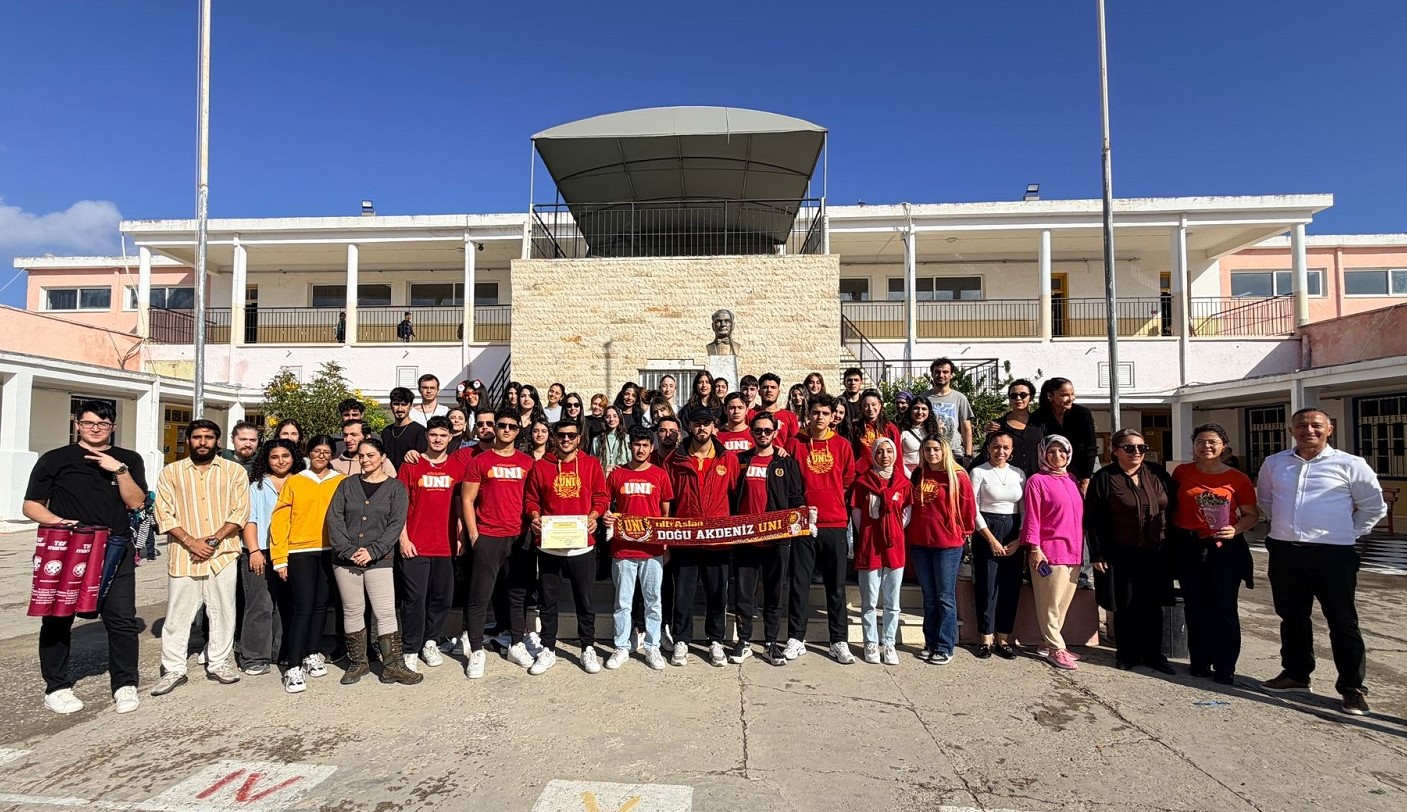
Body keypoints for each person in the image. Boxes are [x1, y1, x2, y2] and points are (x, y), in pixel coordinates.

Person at [1258, 408, 1387, 716]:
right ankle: (1296, 674)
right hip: (1286, 552)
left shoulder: (1351, 464)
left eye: (1316, 425)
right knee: (1292, 617)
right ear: (1291, 431)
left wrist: (1346, 532)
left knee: (1342, 621)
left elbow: (1373, 507)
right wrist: (1289, 529)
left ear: (1330, 429)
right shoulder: (1274, 464)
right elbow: (1266, 501)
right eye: (1301, 425)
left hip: (1333, 554)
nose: (1309, 430)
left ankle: (1352, 688)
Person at [24, 401, 148, 715]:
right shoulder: (55, 459)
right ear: (77, 424)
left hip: (115, 549)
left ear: (113, 427)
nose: (95, 428)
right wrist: (60, 522)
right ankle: (56, 688)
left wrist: (118, 470)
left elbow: (136, 503)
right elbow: (31, 505)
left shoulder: (129, 459)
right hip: (67, 548)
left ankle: (125, 684)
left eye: (103, 424)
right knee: (57, 618)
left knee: (121, 619)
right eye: (89, 423)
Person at [150, 419, 251, 696]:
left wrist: (214, 539)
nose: (203, 442)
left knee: (223, 611)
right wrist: (191, 541)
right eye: (197, 437)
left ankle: (219, 662)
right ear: (188, 440)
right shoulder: (171, 472)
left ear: (218, 441)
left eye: (208, 437)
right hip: (185, 555)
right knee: (178, 614)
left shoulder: (233, 471)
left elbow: (240, 511)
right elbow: (163, 513)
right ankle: (173, 668)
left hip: (222, 553)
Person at [1171, 423, 1259, 686]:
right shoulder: (1181, 472)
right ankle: (1199, 661)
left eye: (1212, 442)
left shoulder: (1238, 479)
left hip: (1223, 549)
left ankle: (1225, 665)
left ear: (1224, 446)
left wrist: (1235, 529)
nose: (1206, 446)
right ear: (1193, 446)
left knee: (1223, 608)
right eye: (1200, 441)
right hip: (1189, 547)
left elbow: (1252, 515)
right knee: (1195, 605)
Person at [328, 438, 420, 685]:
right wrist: (348, 550)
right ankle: (358, 663)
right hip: (345, 560)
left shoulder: (396, 488)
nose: (365, 460)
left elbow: (395, 525)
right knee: (353, 610)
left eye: (370, 455)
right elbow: (334, 519)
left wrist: (373, 551)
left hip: (379, 560)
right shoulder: (347, 485)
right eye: (361, 456)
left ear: (383, 458)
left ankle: (392, 666)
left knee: (385, 611)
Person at [1085, 429, 1176, 674]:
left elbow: (1172, 509)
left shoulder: (1156, 473)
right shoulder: (1105, 477)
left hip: (1156, 550)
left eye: (1141, 448)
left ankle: (1154, 655)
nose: (1136, 452)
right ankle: (1127, 654)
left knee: (1153, 604)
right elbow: (1093, 519)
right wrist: (1097, 553)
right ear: (1115, 451)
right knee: (1126, 604)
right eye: (1129, 447)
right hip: (1120, 552)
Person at [524, 420, 610, 675]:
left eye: (571, 435)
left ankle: (587, 646)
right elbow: (531, 499)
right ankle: (548, 648)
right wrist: (534, 516)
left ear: (578, 438)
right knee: (548, 602)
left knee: (584, 600)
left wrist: (594, 516)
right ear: (554, 437)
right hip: (549, 545)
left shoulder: (591, 464)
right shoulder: (541, 466)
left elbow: (601, 496)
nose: (566, 439)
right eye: (561, 435)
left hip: (581, 546)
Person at [461, 409, 536, 677]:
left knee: (517, 596)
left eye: (511, 426)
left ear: (518, 431)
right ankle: (476, 650)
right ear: (495, 428)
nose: (506, 429)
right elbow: (467, 499)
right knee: (479, 597)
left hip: (520, 536)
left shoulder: (528, 462)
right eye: (501, 425)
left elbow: (534, 498)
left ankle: (516, 643)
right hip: (488, 535)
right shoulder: (480, 461)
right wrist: (473, 535)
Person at [663, 406, 740, 667]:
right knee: (683, 593)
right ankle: (681, 640)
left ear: (714, 426)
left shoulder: (728, 459)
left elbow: (735, 496)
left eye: (706, 423)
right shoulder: (675, 459)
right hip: (685, 539)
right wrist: (667, 539)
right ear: (689, 427)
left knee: (717, 594)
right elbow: (668, 500)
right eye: (697, 423)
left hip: (718, 540)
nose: (702, 428)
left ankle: (715, 640)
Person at [784, 393, 856, 664]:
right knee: (799, 583)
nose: (820, 417)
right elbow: (789, 477)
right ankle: (796, 638)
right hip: (803, 523)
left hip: (834, 522)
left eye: (825, 413)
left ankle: (838, 640)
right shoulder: (795, 443)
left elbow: (848, 479)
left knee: (835, 586)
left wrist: (832, 500)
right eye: (815, 412)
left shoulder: (842, 445)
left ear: (832, 417)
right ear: (808, 414)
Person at [732, 411, 806, 666]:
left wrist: (800, 519)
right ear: (751, 432)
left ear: (775, 433)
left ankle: (771, 643)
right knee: (744, 594)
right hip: (745, 539)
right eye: (757, 430)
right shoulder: (741, 460)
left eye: (767, 430)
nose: (762, 434)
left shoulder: (785, 461)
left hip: (777, 539)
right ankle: (743, 641)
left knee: (774, 593)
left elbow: (796, 497)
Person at [269, 434, 342, 693]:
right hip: (300, 551)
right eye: (316, 451)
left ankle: (312, 653)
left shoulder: (341, 481)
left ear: (332, 455)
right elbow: (280, 520)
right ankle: (293, 666)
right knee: (303, 607)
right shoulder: (296, 481)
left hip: (330, 550)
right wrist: (279, 557)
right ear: (308, 453)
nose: (321, 455)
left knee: (321, 606)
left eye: (326, 451)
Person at [602, 426, 674, 671]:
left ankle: (652, 646)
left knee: (653, 601)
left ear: (651, 448)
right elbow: (604, 504)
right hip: (623, 549)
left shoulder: (660, 475)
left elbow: (665, 514)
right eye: (636, 444)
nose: (640, 449)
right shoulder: (617, 474)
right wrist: (606, 516)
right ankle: (622, 645)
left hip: (652, 550)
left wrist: (665, 546)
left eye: (645, 445)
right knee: (623, 602)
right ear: (630, 446)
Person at [396, 417, 463, 675]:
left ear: (450, 438)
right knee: (414, 599)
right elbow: (400, 507)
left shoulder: (456, 466)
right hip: (416, 544)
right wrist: (403, 539)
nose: (437, 439)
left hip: (445, 545)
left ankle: (430, 641)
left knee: (442, 598)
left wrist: (460, 535)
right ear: (426, 436)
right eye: (433, 434)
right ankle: (411, 648)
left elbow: (460, 504)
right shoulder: (411, 465)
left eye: (443, 435)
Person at [907, 435, 976, 665]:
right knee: (929, 597)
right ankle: (931, 642)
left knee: (945, 597)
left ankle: (945, 646)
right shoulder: (919, 474)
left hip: (947, 545)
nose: (932, 453)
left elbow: (968, 509)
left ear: (944, 450)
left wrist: (963, 533)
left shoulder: (957, 476)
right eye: (927, 449)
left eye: (936, 449)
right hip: (920, 543)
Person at [239, 439, 303, 678]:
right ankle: (254, 656)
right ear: (266, 460)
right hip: (262, 551)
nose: (280, 461)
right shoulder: (256, 485)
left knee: (288, 604)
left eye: (285, 456)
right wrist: (254, 551)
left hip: (293, 551)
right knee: (260, 604)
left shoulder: (301, 482)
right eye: (274, 457)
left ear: (294, 457)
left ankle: (282, 651)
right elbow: (250, 519)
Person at [1021, 435, 1085, 671]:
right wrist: (1035, 548)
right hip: (1050, 552)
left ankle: (1049, 643)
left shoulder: (1072, 479)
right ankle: (1056, 648)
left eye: (1061, 451)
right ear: (1043, 454)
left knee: (1062, 604)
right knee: (1049, 603)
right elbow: (1032, 517)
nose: (1057, 456)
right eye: (1051, 451)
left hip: (1073, 551)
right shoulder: (1037, 481)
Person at [851, 437, 912, 666]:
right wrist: (871, 532)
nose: (884, 456)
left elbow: (906, 515)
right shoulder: (862, 482)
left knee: (892, 601)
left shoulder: (904, 484)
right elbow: (857, 514)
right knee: (869, 600)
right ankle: (870, 642)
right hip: (870, 544)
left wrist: (891, 531)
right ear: (873, 455)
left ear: (895, 455)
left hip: (894, 546)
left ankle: (889, 643)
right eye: (879, 451)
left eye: (889, 451)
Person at [968, 431, 1026, 660]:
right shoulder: (979, 472)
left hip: (1012, 530)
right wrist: (991, 539)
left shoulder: (1019, 473)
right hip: (986, 530)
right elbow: (972, 508)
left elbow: (1024, 509)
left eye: (1005, 447)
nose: (1000, 451)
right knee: (987, 585)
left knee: (1010, 586)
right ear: (988, 448)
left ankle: (1003, 638)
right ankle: (986, 638)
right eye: (996, 446)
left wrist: (1019, 539)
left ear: (1011, 451)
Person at [1031, 378, 1097, 490]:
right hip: (1053, 473)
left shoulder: (1082, 413)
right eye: (1064, 395)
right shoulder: (1039, 417)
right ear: (1050, 396)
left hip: (1085, 470)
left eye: (1072, 394)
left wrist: (1086, 478)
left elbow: (1091, 447)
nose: (1071, 398)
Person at [982, 379, 1044, 476]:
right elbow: (987, 453)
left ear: (1031, 397)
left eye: (1023, 395)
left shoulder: (1040, 424)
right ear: (1009, 398)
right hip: (1007, 479)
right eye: (1014, 395)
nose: (1018, 398)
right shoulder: (997, 426)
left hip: (1035, 478)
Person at [924, 358, 974, 463]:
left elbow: (966, 429)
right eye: (937, 372)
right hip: (931, 452)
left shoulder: (960, 398)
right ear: (932, 374)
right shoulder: (923, 398)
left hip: (954, 453)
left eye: (945, 372)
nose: (941, 375)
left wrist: (968, 455)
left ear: (951, 375)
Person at [852, 388, 901, 474]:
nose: (870, 409)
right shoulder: (855, 428)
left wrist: (898, 476)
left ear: (880, 405)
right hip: (863, 474)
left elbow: (898, 456)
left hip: (885, 474)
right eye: (866, 406)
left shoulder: (890, 428)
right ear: (861, 407)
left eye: (873, 404)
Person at [381, 387, 429, 468]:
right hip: (388, 475)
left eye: (404, 404)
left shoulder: (420, 431)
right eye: (396, 404)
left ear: (411, 406)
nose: (400, 409)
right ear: (391, 405)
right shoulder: (386, 431)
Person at [757, 373, 801, 449]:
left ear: (779, 392)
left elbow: (795, 443)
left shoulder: (790, 416)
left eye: (773, 387)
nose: (769, 390)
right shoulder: (751, 414)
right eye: (765, 387)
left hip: (782, 456)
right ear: (759, 392)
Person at [898, 397, 939, 477]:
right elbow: (897, 457)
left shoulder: (933, 432)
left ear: (929, 412)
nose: (920, 412)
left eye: (924, 409)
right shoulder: (901, 432)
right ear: (910, 410)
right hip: (907, 474)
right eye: (916, 408)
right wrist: (911, 476)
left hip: (929, 472)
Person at [592, 406, 631, 474]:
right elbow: (593, 463)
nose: (611, 419)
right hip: (603, 476)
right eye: (608, 417)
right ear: (604, 419)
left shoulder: (627, 439)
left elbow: (631, 461)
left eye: (615, 416)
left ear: (619, 418)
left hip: (622, 476)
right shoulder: (596, 440)